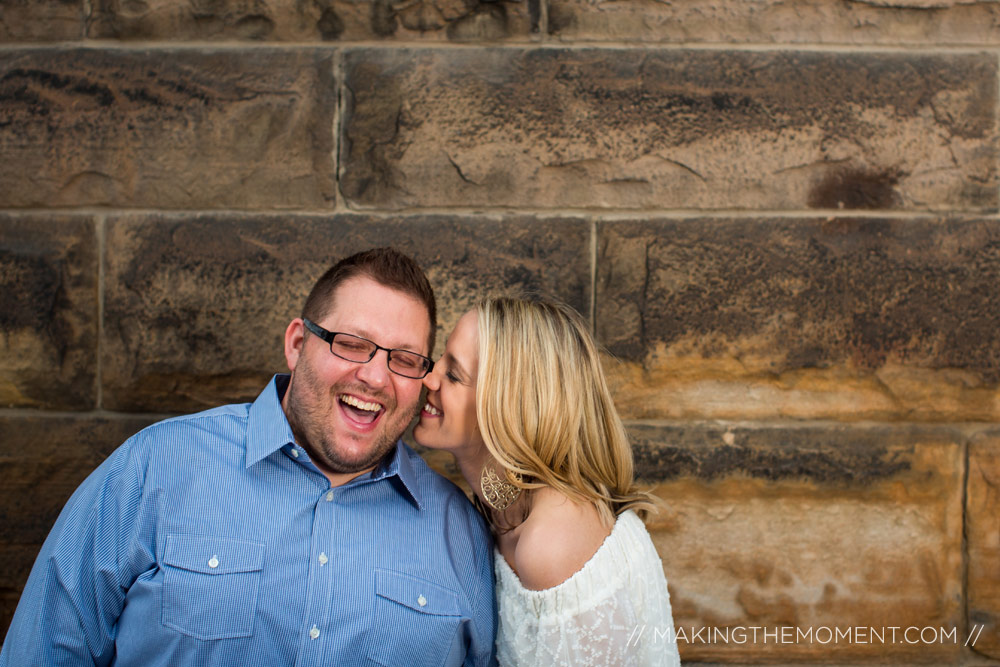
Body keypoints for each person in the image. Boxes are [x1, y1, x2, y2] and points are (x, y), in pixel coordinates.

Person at [0, 247, 497, 666]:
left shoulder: (461, 532)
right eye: (351, 344)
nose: (375, 377)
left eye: (404, 359)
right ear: (298, 345)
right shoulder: (155, 467)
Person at [414, 295, 681, 666]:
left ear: (507, 405)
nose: (429, 376)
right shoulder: (506, 510)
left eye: (455, 374)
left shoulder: (550, 546)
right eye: (441, 358)